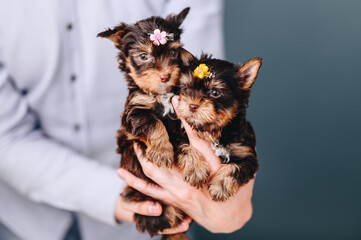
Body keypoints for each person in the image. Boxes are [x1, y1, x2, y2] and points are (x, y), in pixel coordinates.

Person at [0, 0, 255, 239]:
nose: (163, 71)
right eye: (144, 58)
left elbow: (201, 90)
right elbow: (6, 137)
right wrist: (115, 195)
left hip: (170, 205)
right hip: (26, 220)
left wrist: (226, 178)